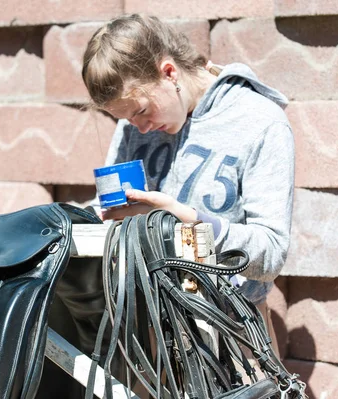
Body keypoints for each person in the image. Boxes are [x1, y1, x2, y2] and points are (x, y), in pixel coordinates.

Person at [82, 14, 294, 340]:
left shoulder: (258, 121)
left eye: (140, 111)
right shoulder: (133, 126)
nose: (138, 128)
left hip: (231, 338)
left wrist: (187, 224)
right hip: (146, 334)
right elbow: (105, 209)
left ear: (169, 72)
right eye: (124, 118)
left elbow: (271, 255)